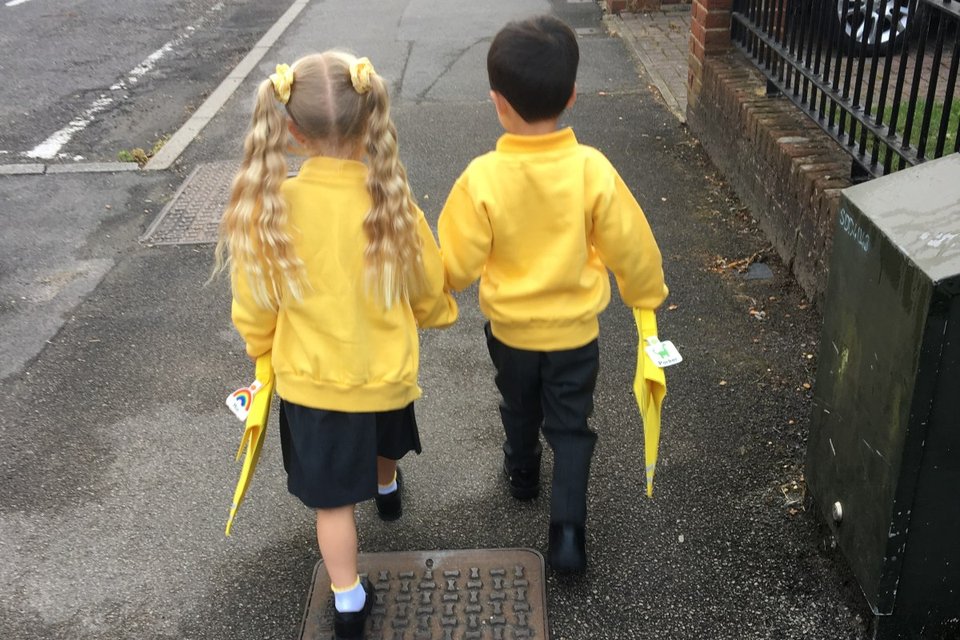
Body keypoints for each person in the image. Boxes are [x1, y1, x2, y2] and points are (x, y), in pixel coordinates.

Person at [213, 52, 457, 639]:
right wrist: (433, 313)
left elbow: (255, 303)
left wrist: (260, 348)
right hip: (383, 371)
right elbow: (427, 280)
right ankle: (388, 485)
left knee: (332, 507)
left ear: (291, 132)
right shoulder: (392, 201)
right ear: (370, 118)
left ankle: (348, 599)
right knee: (384, 436)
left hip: (314, 383)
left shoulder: (272, 212)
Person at [437, 15, 668, 573]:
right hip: (574, 334)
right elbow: (631, 247)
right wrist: (645, 296)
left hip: (511, 331)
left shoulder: (481, 178)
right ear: (571, 96)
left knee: (518, 404)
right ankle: (567, 532)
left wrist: (436, 289)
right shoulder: (592, 170)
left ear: (497, 101)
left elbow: (457, 265)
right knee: (570, 425)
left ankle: (521, 473)